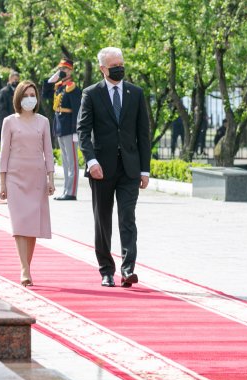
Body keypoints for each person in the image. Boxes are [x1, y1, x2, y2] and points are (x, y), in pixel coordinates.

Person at [78, 47, 151, 288]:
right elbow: (83, 131)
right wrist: (91, 161)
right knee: (103, 220)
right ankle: (106, 270)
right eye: (113, 65)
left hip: (130, 168)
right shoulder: (91, 94)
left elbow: (143, 133)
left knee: (127, 218)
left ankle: (128, 268)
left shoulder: (135, 93)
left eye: (121, 63)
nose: (119, 68)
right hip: (102, 169)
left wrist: (144, 169)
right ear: (102, 69)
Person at [0, 80, 56, 287]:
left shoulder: (43, 122)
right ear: (18, 98)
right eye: (26, 95)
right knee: (19, 224)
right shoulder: (9, 122)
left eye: (33, 95)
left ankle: (27, 266)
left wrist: (51, 178)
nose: (29, 99)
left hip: (37, 179)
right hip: (15, 178)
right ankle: (24, 268)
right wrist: (2, 182)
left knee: (32, 226)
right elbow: (4, 153)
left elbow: (48, 151)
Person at [43, 58, 83, 201]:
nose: (62, 71)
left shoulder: (72, 88)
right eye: (60, 68)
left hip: (69, 128)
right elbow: (45, 95)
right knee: (65, 162)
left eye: (65, 69)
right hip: (60, 126)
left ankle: (71, 192)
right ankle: (66, 190)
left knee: (72, 162)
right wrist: (51, 79)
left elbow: (77, 110)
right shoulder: (59, 86)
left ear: (71, 70)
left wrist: (76, 131)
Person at [0, 70, 19, 144]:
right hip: (9, 123)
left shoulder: (19, 92)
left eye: (18, 80)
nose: (16, 82)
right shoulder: (4, 92)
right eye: (15, 79)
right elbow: (2, 110)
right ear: (10, 79)